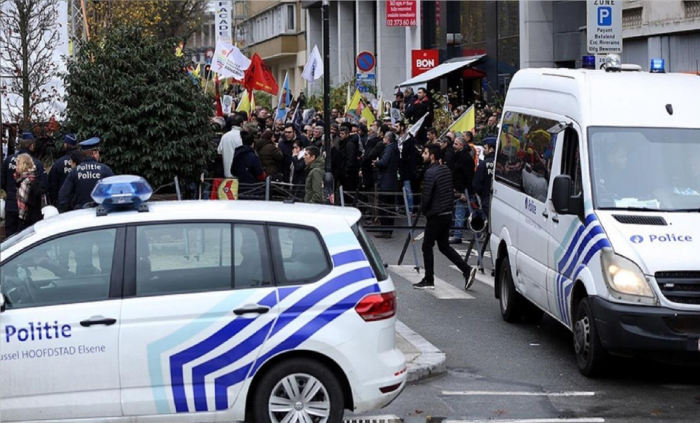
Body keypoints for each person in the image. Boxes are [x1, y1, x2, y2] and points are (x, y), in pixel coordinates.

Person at [414, 144, 477, 290]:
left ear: (432, 156)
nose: (423, 155)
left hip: (436, 214)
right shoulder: (446, 170)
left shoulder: (430, 172)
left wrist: (425, 211)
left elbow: (427, 195)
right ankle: (467, 270)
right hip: (447, 213)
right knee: (443, 246)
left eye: (425, 153)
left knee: (426, 246)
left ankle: (429, 279)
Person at [1, 132, 47, 237]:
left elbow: (2, 182)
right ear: (32, 146)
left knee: (10, 239)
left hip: (11, 206)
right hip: (29, 210)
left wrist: (10, 193)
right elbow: (42, 187)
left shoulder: (8, 160)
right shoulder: (37, 164)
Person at [58, 137, 114, 212]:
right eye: (98, 152)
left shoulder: (74, 171)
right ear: (94, 153)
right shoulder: (105, 170)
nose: (99, 155)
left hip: (80, 214)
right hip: (101, 212)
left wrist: (66, 213)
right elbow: (114, 191)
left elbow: (64, 196)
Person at [449, 137, 477, 244]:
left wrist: (464, 191)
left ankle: (458, 235)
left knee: (462, 213)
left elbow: (468, 176)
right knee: (465, 213)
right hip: (460, 189)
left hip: (464, 190)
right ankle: (476, 233)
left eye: (456, 144)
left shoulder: (465, 158)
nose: (454, 145)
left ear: (461, 145)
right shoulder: (459, 156)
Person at [373, 131, 400, 238]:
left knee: (383, 207)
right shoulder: (395, 148)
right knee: (390, 207)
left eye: (384, 137)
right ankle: (389, 229)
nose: (383, 139)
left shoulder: (388, 149)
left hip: (385, 181)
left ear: (388, 139)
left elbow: (384, 162)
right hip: (392, 181)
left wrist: (376, 162)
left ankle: (385, 229)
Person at [231, 131, 267, 200]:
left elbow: (233, 171)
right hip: (254, 189)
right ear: (252, 144)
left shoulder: (237, 154)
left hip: (241, 188)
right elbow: (260, 175)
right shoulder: (253, 156)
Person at [14, 153, 43, 230]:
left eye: (17, 165)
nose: (15, 167)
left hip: (27, 221)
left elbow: (23, 204)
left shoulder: (26, 182)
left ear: (23, 165)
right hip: (35, 218)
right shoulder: (33, 178)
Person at [48, 133, 79, 205]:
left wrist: (54, 201)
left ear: (65, 145)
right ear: (76, 145)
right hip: (80, 202)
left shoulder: (58, 163)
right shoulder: (82, 161)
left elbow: (52, 185)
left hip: (63, 202)